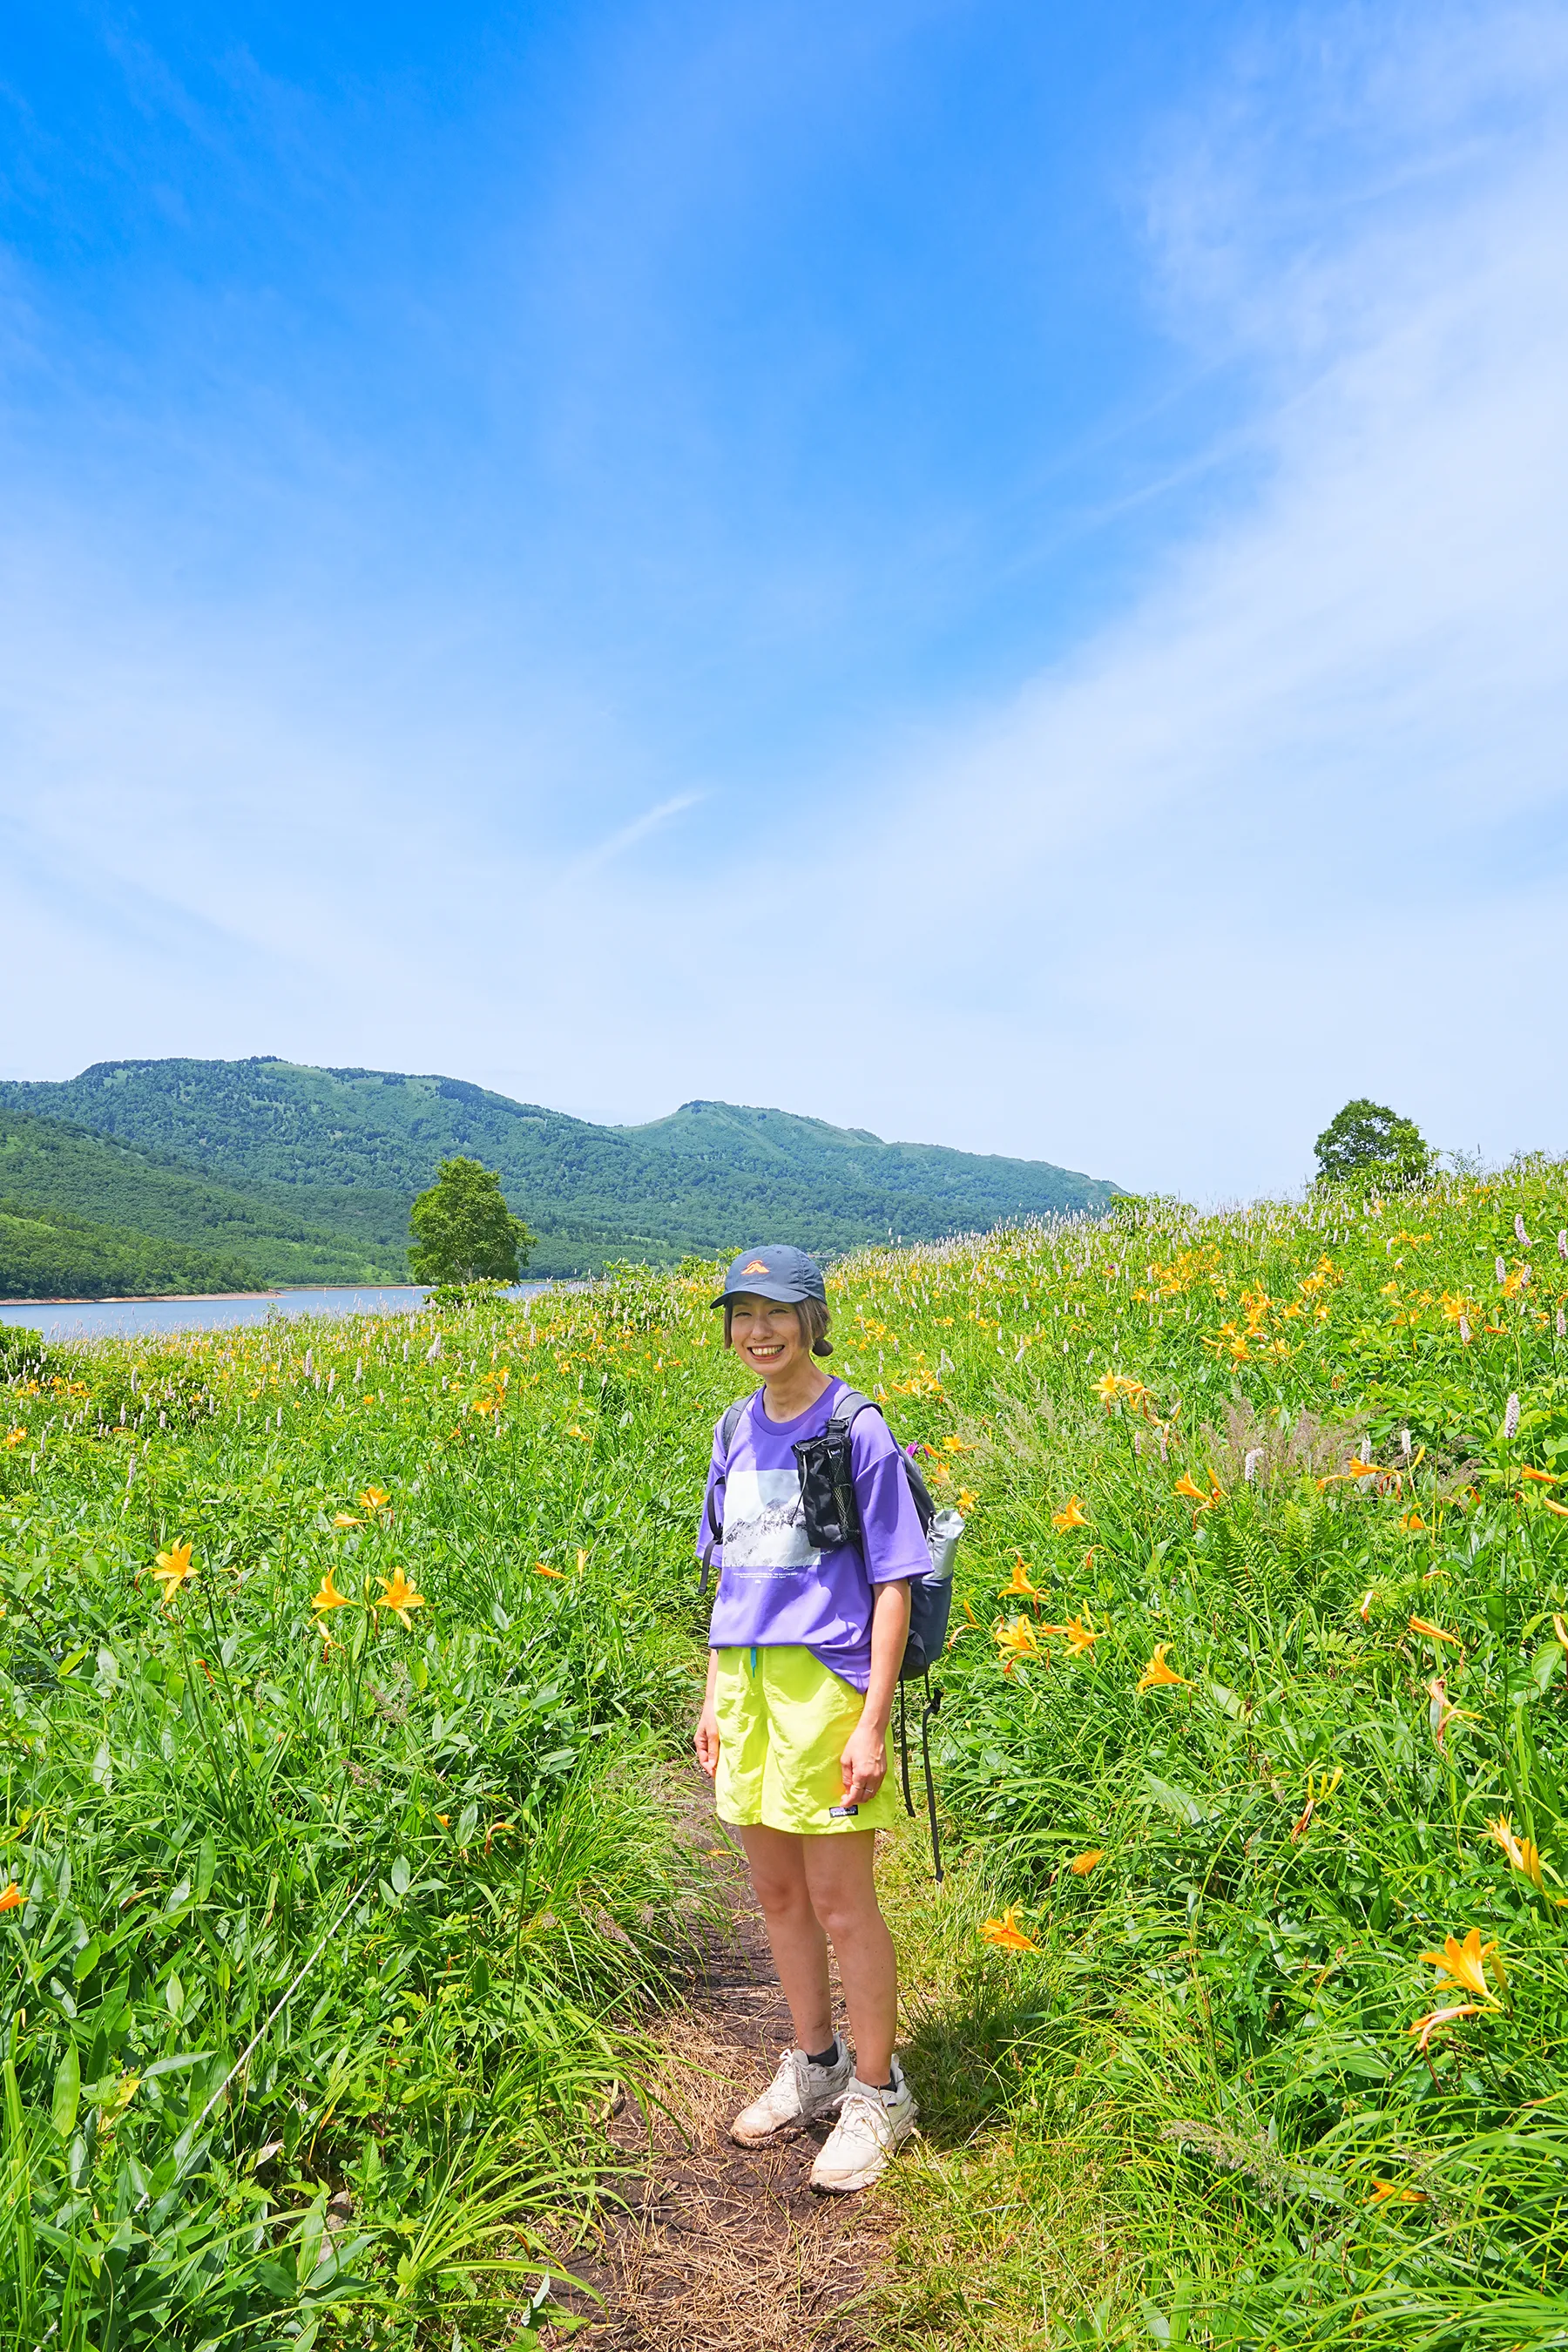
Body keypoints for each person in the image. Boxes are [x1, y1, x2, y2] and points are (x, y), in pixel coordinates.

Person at [693, 1244, 929, 2193]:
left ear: (813, 1319)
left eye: (776, 1312)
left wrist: (870, 1722)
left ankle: (881, 2091)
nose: (758, 1331)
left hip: (826, 1688)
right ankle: (817, 2065)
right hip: (748, 1688)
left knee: (840, 1902)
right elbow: (728, 1573)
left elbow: (895, 1583)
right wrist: (713, 1693)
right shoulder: (731, 1429)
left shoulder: (857, 1427)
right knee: (781, 1899)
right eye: (742, 1314)